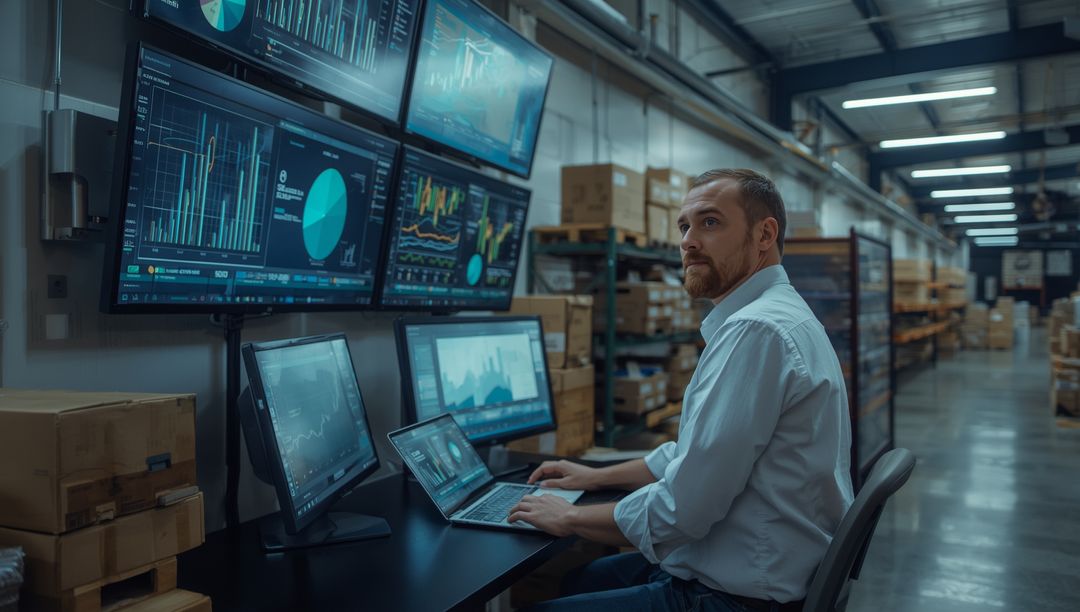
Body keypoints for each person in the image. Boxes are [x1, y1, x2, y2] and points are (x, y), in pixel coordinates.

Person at [508, 168, 854, 612]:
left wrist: (571, 517)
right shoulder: (776, 316)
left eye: (710, 223)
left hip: (743, 594)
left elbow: (683, 510)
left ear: (765, 234)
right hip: (755, 563)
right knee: (581, 577)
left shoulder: (758, 330)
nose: (688, 241)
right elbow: (699, 451)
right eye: (684, 226)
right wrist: (595, 476)